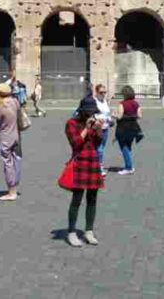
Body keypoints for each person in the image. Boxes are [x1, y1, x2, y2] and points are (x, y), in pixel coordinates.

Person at [60, 96, 104, 247]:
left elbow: (97, 144)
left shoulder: (93, 122)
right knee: (77, 199)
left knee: (92, 199)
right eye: (89, 112)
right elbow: (76, 143)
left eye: (93, 112)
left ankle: (89, 231)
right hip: (80, 164)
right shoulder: (71, 123)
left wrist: (98, 130)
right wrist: (86, 128)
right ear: (82, 111)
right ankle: (71, 232)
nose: (91, 115)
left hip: (93, 163)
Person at [0, 83, 21, 201]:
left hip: (6, 136)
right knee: (17, 161)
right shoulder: (15, 102)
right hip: (16, 135)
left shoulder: (0, 106)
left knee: (8, 164)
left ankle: (12, 192)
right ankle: (15, 186)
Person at [114, 85, 143, 175]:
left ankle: (129, 167)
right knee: (128, 147)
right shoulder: (136, 103)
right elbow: (139, 116)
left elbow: (119, 116)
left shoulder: (122, 104)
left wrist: (113, 114)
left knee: (124, 147)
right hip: (133, 127)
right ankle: (128, 165)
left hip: (123, 127)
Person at [93, 84, 112, 175]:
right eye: (101, 92)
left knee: (101, 148)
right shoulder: (94, 102)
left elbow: (107, 113)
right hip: (97, 128)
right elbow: (91, 115)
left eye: (105, 92)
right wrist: (96, 120)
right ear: (96, 92)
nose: (103, 94)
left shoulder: (104, 101)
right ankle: (99, 168)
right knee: (99, 148)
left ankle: (95, 165)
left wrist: (110, 120)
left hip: (106, 128)